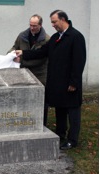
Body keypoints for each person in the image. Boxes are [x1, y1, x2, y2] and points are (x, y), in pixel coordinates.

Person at [14, 10, 86, 150]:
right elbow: (41, 52)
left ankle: (72, 140)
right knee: (60, 111)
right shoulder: (55, 38)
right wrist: (23, 53)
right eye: (52, 22)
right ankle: (60, 135)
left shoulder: (76, 37)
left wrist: (74, 82)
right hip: (58, 84)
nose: (52, 25)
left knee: (72, 112)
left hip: (70, 84)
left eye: (54, 22)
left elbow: (79, 61)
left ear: (63, 19)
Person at [8, 14, 50, 126]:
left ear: (40, 25)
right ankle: (24, 122)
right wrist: (10, 55)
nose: (32, 28)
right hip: (23, 73)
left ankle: (41, 124)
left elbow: (41, 59)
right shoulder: (22, 36)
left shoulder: (46, 39)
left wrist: (21, 60)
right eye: (30, 25)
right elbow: (15, 47)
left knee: (40, 100)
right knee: (24, 98)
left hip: (40, 74)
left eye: (35, 26)